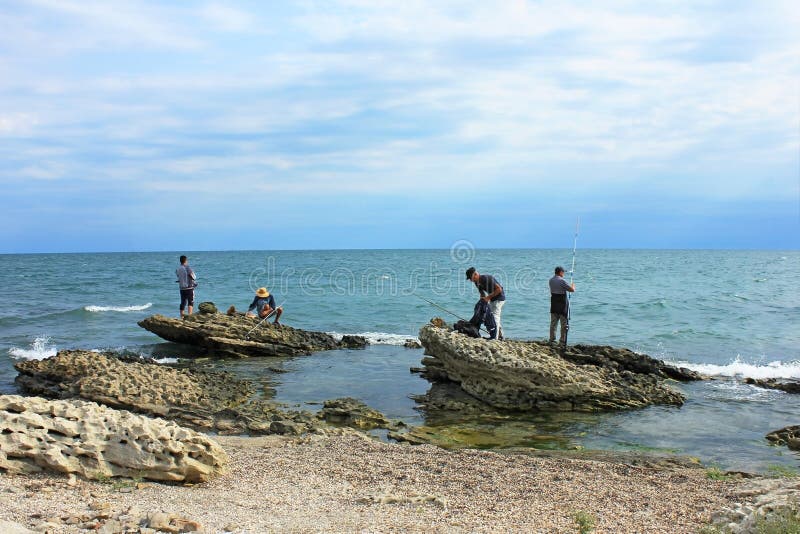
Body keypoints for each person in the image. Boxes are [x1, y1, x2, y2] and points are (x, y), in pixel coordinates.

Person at [465, 267, 505, 340]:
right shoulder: (476, 282)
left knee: (495, 316)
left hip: (499, 298)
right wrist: (482, 301)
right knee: (491, 316)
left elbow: (499, 289)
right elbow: (482, 294)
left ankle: (495, 338)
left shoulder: (486, 278)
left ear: (475, 274)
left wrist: (488, 298)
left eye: (471, 278)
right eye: (470, 279)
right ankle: (500, 334)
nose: (471, 280)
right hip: (492, 299)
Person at [549, 266, 575, 346]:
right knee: (563, 324)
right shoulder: (562, 281)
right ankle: (562, 341)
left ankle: (552, 340)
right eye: (563, 272)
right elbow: (572, 290)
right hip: (562, 305)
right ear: (560, 272)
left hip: (554, 304)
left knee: (553, 323)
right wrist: (573, 284)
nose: (563, 273)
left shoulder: (551, 280)